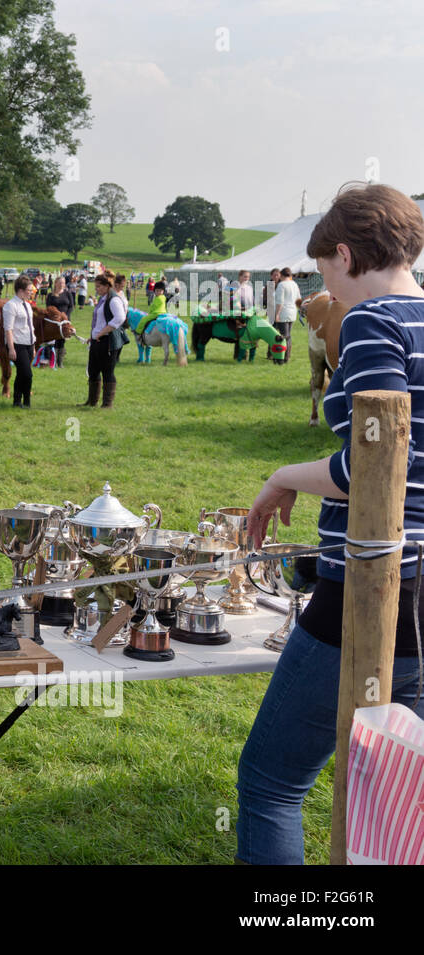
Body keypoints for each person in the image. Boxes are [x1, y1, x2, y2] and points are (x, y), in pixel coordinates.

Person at [238, 183, 424, 865]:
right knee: (404, 790)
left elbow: (373, 465)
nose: (330, 295)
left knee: (271, 780)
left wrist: (284, 474)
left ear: (344, 253)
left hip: (376, 588)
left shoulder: (374, 320)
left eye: (327, 276)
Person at [81, 271, 125, 408]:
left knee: (107, 372)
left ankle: (107, 404)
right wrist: (93, 336)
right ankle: (92, 401)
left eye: (99, 287)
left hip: (108, 342)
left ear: (107, 286)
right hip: (97, 341)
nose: (97, 289)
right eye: (96, 287)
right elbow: (100, 320)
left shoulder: (114, 299)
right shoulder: (102, 299)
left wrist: (101, 333)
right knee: (93, 371)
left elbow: (120, 318)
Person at [2, 274, 36, 409]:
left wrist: (33, 345)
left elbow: (30, 326)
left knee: (22, 373)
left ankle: (17, 400)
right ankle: (26, 399)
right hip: (17, 344)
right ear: (21, 290)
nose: (31, 293)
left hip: (28, 343)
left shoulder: (27, 305)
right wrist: (11, 348)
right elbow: (8, 329)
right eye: (29, 290)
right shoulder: (10, 306)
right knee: (27, 374)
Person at [44, 275, 74, 368]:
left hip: (65, 321)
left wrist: (66, 317)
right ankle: (52, 360)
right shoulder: (50, 295)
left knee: (62, 340)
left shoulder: (68, 293)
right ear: (56, 283)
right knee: (54, 340)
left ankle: (60, 361)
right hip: (54, 321)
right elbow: (48, 308)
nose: (62, 284)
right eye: (60, 282)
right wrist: (56, 317)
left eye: (64, 283)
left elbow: (71, 306)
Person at [273, 267, 300, 364]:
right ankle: (286, 356)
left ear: (281, 275)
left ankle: (283, 357)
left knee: (283, 336)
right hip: (292, 312)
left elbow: (280, 302)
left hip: (283, 313)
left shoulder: (281, 285)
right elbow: (298, 299)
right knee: (288, 336)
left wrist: (277, 314)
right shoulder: (295, 284)